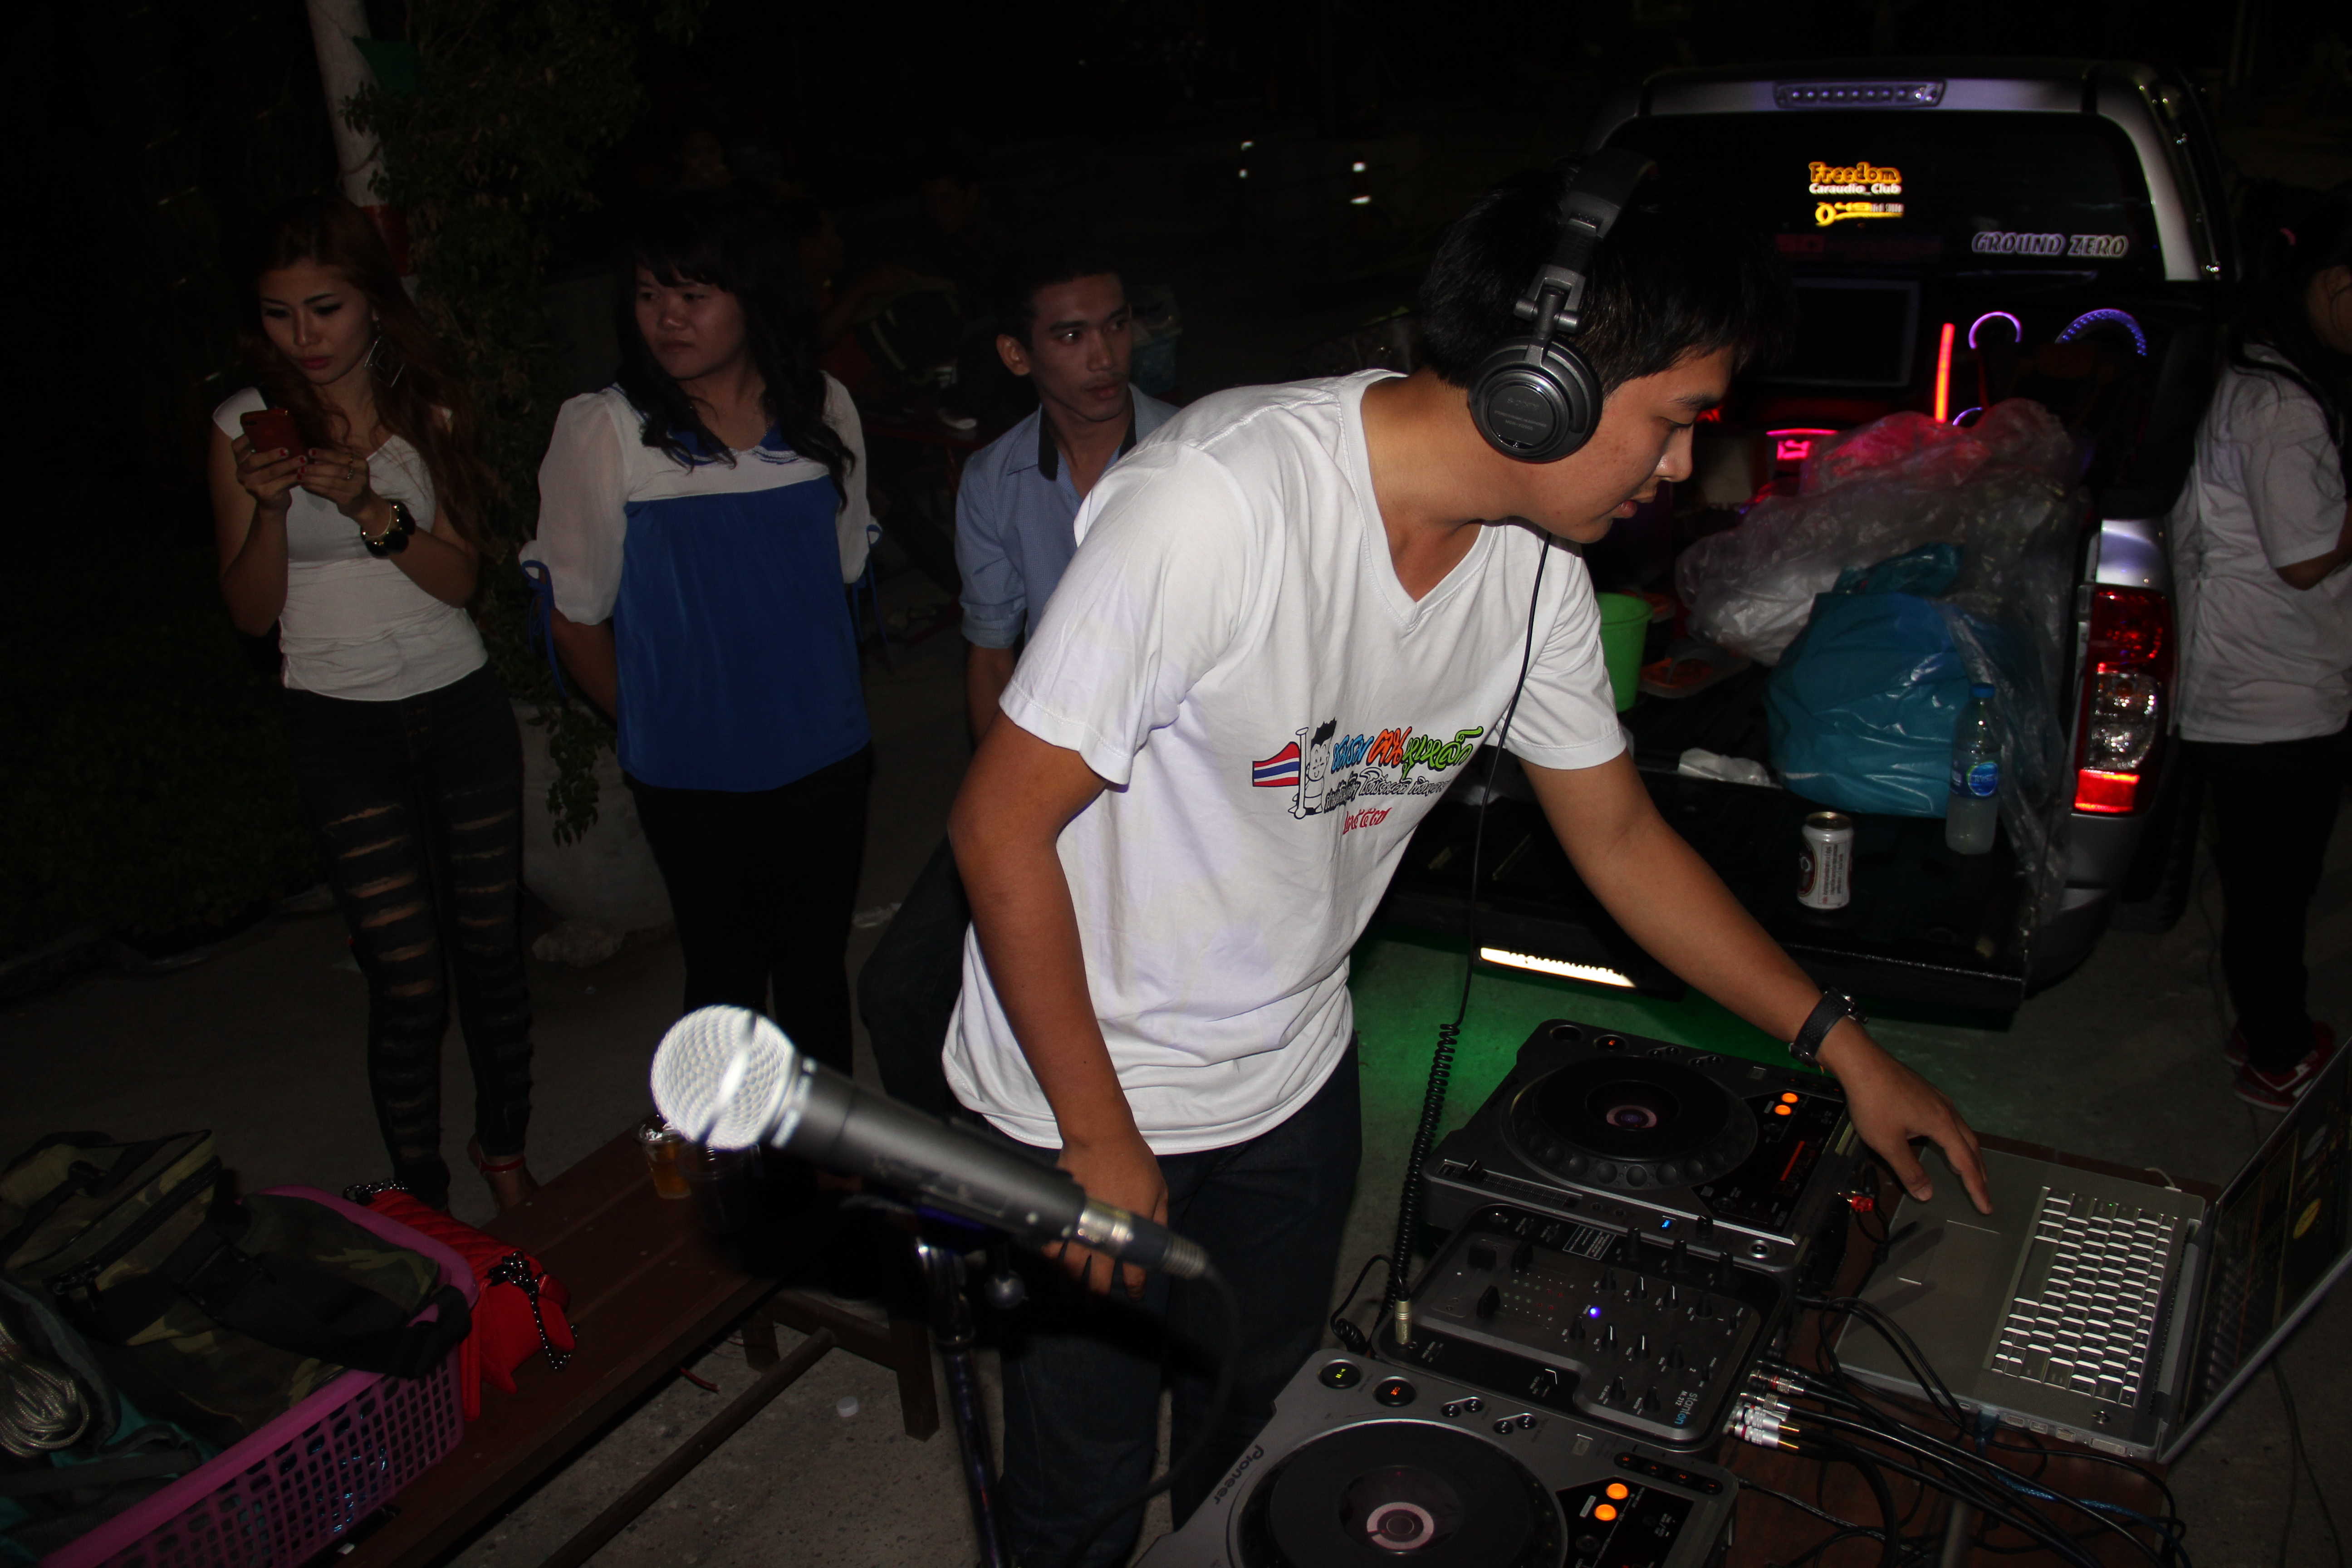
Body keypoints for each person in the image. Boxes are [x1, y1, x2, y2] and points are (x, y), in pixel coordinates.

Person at [943, 167, 1995, 1566]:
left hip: (1288, 1075)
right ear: (1545, 382)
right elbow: (997, 827)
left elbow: (1619, 837)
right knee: (1080, 1486)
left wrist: (1843, 1048)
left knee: (1258, 1437)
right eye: (1677, 420)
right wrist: (1096, 1141)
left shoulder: (1536, 571)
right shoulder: (1217, 506)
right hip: (1083, 1082)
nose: (1682, 470)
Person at [208, 195, 536, 1213]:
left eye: (325, 308)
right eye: (278, 314)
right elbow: (251, 615)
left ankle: (506, 1151)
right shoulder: (241, 426)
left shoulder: (429, 408)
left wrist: (365, 506)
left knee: (490, 951)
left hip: (456, 700)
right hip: (336, 716)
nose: (303, 337)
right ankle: (419, 1193)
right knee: (406, 974)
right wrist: (271, 510)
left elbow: (459, 580)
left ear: (372, 303)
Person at [528, 194, 874, 1071]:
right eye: (649, 295)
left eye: (693, 295)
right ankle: (726, 1155)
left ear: (752, 296)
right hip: (695, 773)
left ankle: (824, 1154)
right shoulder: (608, 428)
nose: (667, 318)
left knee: (815, 978)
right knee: (725, 983)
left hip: (825, 751)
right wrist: (655, 728)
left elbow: (842, 570)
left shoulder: (822, 406)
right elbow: (575, 616)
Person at [858, 244, 1176, 1120]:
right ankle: (973, 1180)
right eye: (1070, 336)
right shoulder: (994, 478)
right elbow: (990, 652)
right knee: (899, 993)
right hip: (1052, 761)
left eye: (1116, 325)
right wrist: (1004, 806)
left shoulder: (1196, 454)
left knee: (1128, 1010)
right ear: (1017, 353)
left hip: (1176, 773)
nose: (1104, 356)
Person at [2172, 188, 2352, 1108]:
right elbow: (2306, 556)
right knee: (2275, 889)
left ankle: (2263, 1024)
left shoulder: (2254, 374)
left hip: (2249, 682)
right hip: (2273, 693)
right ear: (2331, 283)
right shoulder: (2281, 403)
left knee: (2261, 881)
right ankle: (2279, 1056)